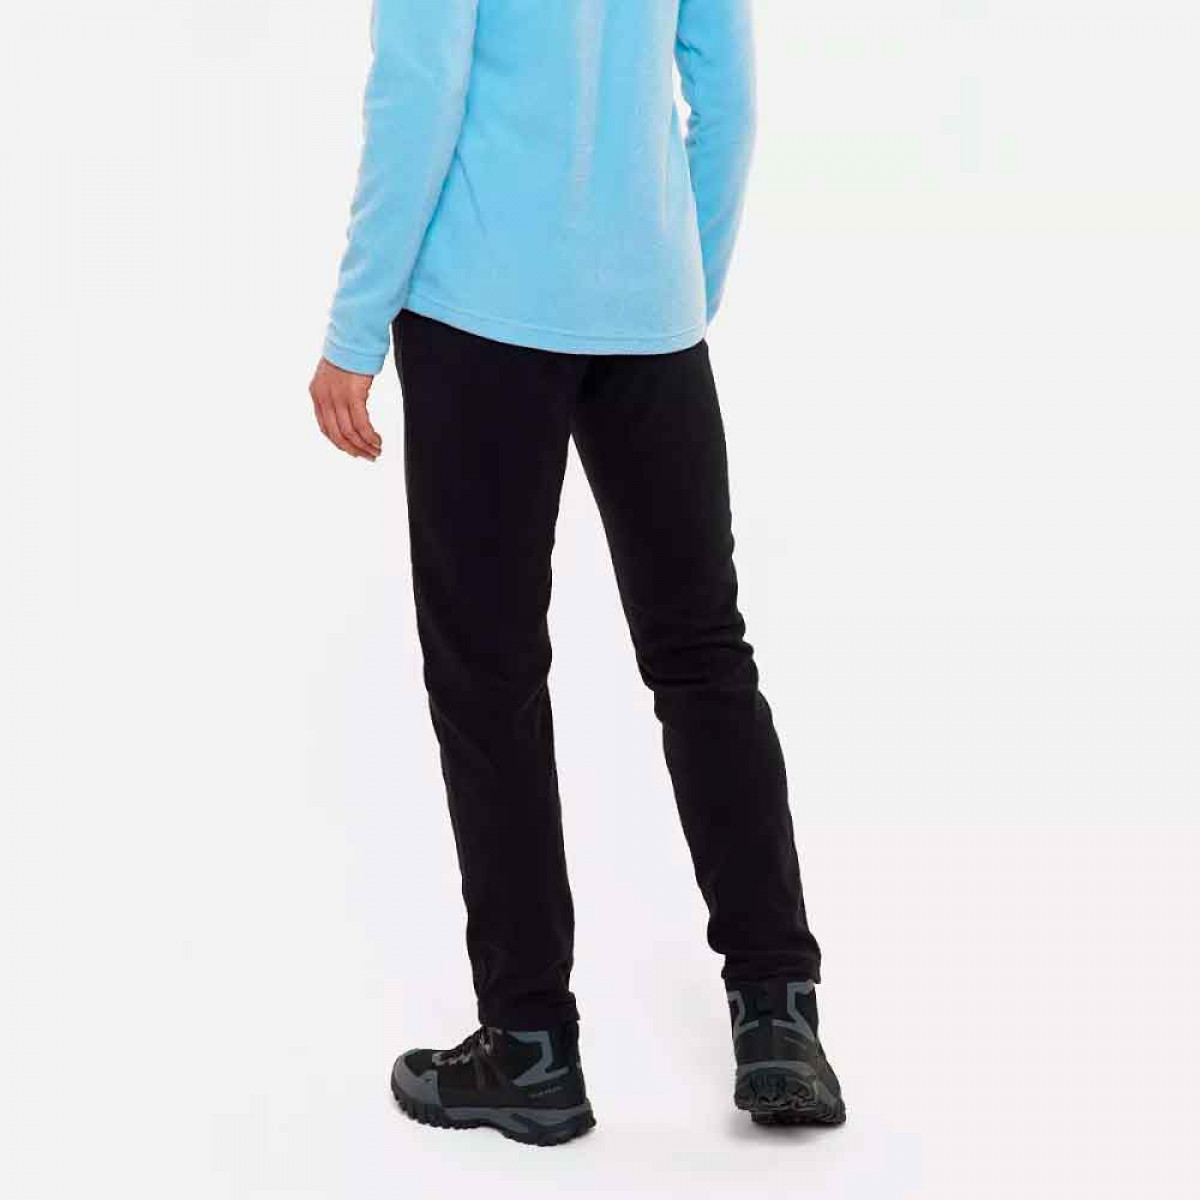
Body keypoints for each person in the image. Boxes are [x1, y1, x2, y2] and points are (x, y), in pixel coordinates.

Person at [309, 0, 844, 1145]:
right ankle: (779, 1015)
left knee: (490, 677)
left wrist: (354, 328)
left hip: (483, 310)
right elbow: (729, 91)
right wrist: (679, 281)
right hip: (651, 314)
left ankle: (531, 1048)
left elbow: (421, 90)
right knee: (704, 658)